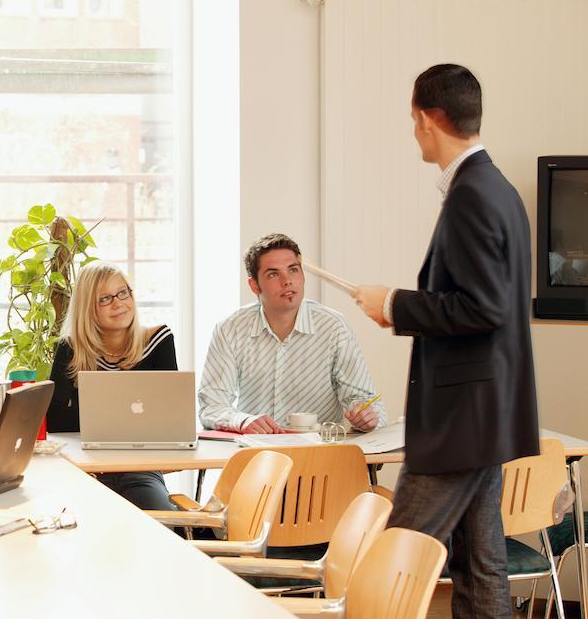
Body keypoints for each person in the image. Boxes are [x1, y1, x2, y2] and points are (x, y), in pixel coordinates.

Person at [352, 63, 539, 619]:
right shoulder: (496, 188)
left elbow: (483, 308)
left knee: (396, 561)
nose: (414, 132)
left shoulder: (472, 195)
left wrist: (392, 303)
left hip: (460, 420)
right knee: (482, 567)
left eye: (413, 121)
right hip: (484, 417)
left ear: (429, 119)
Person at [198, 233, 386, 434]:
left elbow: (366, 403)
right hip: (257, 456)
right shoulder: (230, 329)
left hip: (319, 456)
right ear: (254, 285)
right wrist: (243, 421)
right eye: (273, 274)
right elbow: (212, 406)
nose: (287, 281)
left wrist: (365, 416)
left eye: (293, 270)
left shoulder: (333, 328)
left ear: (303, 276)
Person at [46, 262, 177, 511]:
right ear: (88, 308)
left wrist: (95, 416)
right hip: (88, 468)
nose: (118, 303)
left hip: (140, 469)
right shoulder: (71, 348)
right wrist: (128, 420)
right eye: (105, 299)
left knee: (161, 517)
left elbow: (168, 417)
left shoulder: (159, 340)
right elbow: (54, 420)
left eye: (123, 293)